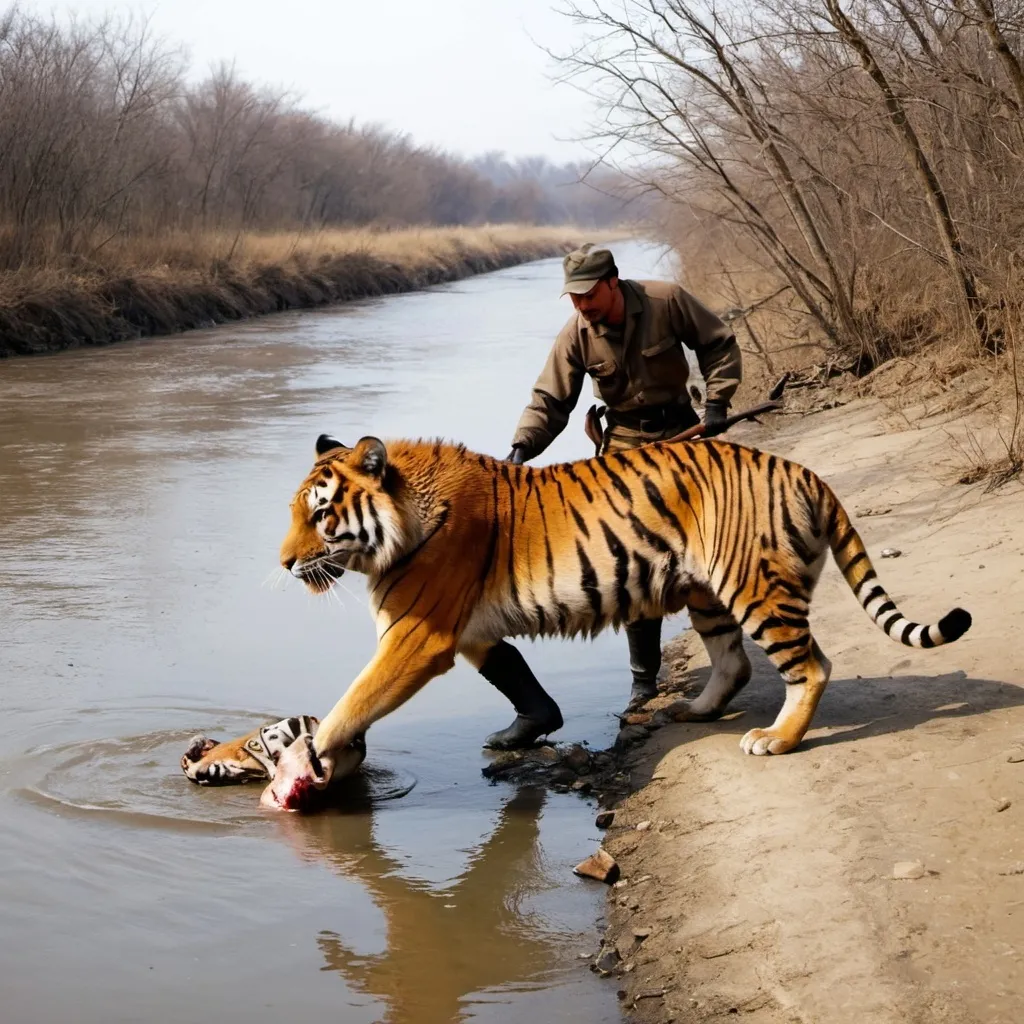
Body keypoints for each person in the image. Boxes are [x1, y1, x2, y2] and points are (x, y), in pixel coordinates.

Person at [479, 243, 743, 750]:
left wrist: (718, 400)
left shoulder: (667, 300)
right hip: (620, 448)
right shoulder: (576, 332)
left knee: (700, 549)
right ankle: (645, 681)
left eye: (588, 296)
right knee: (632, 563)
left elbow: (719, 343)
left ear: (613, 282)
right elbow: (551, 400)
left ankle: (724, 651)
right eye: (573, 298)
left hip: (682, 437)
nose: (581, 306)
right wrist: (519, 450)